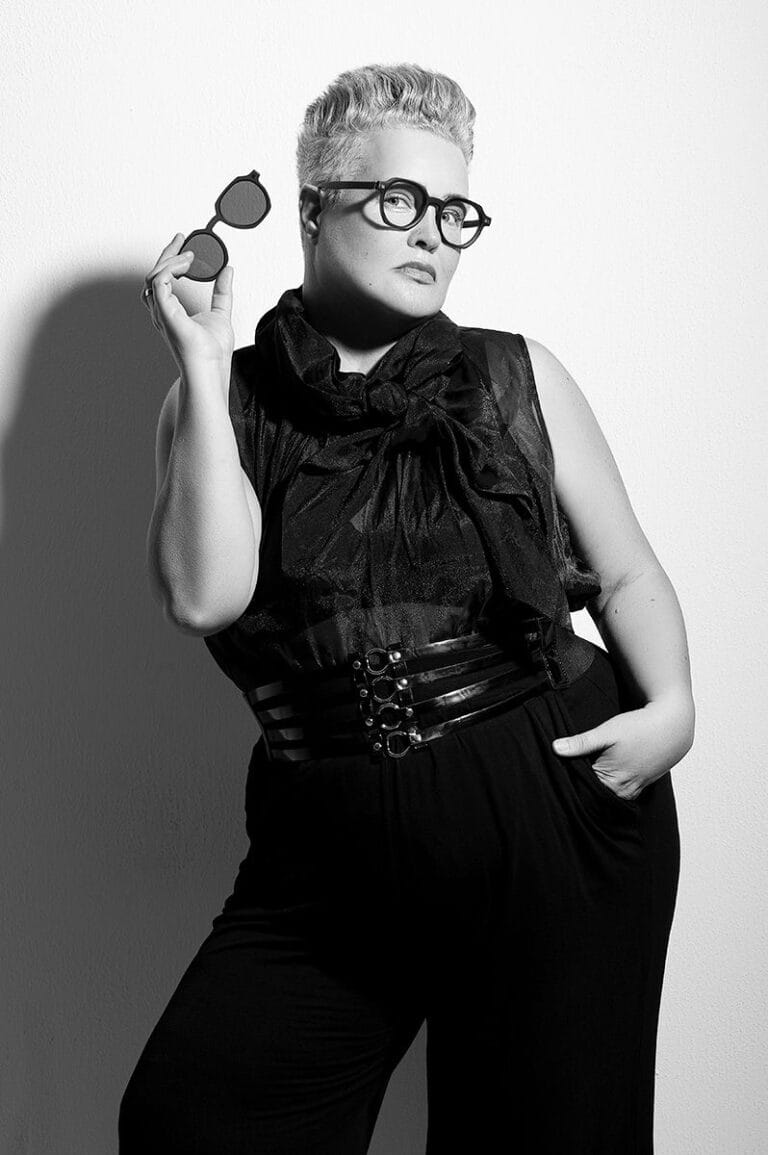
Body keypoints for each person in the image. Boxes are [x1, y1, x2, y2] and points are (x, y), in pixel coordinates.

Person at [119, 62, 694, 1154]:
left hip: (552, 818)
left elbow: (626, 575)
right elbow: (203, 596)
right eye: (398, 200)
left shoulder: (516, 377)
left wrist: (672, 707)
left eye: (455, 210)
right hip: (328, 853)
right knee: (194, 1118)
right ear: (312, 209)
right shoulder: (221, 401)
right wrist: (199, 364)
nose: (433, 231)